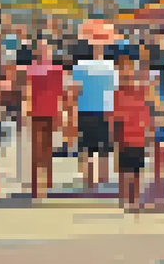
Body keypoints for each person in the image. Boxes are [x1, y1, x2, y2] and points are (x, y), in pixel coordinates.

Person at [72, 27, 119, 192]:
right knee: (92, 149)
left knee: (100, 148)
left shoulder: (107, 66)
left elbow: (115, 90)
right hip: (91, 109)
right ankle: (93, 181)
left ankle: (98, 181)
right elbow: (75, 89)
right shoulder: (106, 66)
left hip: (101, 110)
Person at [112, 48, 156, 212]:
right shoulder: (118, 93)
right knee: (125, 170)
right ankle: (125, 199)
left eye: (127, 68)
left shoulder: (141, 90)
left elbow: (148, 111)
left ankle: (134, 199)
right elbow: (114, 117)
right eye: (121, 68)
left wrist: (149, 130)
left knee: (136, 170)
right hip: (124, 134)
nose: (124, 72)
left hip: (137, 134)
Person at [23, 38, 65, 199]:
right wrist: (26, 108)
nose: (43, 52)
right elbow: (27, 90)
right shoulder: (31, 69)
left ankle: (47, 183)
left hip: (51, 112)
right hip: (36, 113)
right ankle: (35, 186)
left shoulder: (57, 70)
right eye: (40, 49)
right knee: (36, 151)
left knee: (47, 149)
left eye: (45, 49)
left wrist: (61, 113)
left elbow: (60, 93)